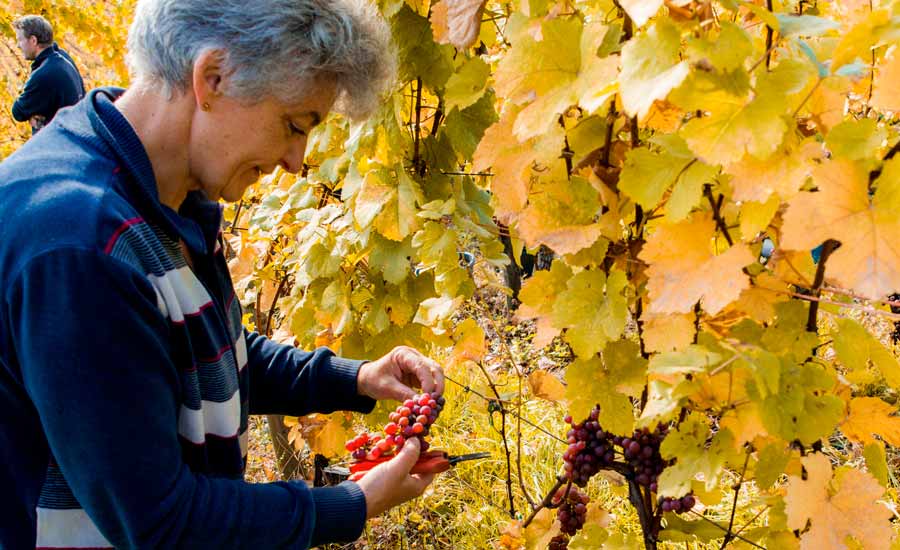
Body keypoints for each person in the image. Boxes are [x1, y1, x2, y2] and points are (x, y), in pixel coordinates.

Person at [0, 1, 443, 548]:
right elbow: (162, 523)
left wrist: (353, 378)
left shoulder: (166, 194)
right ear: (212, 78)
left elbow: (200, 351)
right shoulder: (81, 246)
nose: (297, 160)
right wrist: (351, 503)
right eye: (294, 125)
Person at [11, 15, 85, 134]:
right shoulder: (63, 58)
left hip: (60, 143)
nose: (17, 45)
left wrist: (37, 118)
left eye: (20, 40)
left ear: (33, 40)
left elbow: (18, 112)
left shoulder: (45, 74)